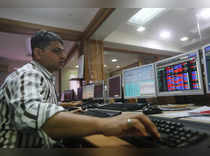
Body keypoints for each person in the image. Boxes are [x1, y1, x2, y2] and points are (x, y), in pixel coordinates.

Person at [0, 30, 160, 148]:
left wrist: (63, 113)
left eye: (63, 51)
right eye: (57, 51)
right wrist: (104, 124)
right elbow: (31, 117)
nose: (63, 56)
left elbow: (41, 108)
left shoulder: (43, 76)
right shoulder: (28, 74)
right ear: (38, 53)